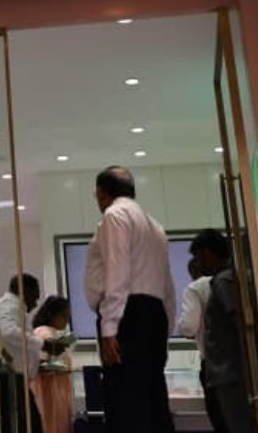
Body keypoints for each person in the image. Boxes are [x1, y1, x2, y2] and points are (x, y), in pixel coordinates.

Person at [85, 166, 176, 433]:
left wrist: (109, 327)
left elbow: (117, 270)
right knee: (153, 399)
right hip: (154, 315)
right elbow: (167, 284)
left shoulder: (115, 215)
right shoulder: (155, 226)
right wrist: (166, 328)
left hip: (128, 315)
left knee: (125, 401)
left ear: (102, 193)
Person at [198, 230, 255, 433]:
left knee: (237, 424)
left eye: (199, 257)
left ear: (208, 253)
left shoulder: (223, 282)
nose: (198, 263)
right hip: (233, 371)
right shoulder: (233, 279)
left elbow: (236, 319)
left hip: (229, 372)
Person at [0, 274, 54, 433]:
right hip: (11, 377)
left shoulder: (11, 307)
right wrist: (43, 343)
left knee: (27, 423)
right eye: (35, 297)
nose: (35, 303)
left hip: (15, 376)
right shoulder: (8, 306)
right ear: (24, 291)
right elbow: (8, 332)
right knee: (26, 424)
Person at [184, 232, 227, 433]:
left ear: (207, 254)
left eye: (199, 257)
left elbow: (188, 327)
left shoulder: (198, 287)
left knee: (221, 421)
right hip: (241, 365)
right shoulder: (239, 278)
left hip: (214, 366)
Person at [30, 296, 75, 433]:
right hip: (49, 390)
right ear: (51, 315)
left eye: (68, 316)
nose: (66, 320)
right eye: (63, 316)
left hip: (57, 388)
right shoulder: (43, 332)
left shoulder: (53, 332)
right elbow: (41, 363)